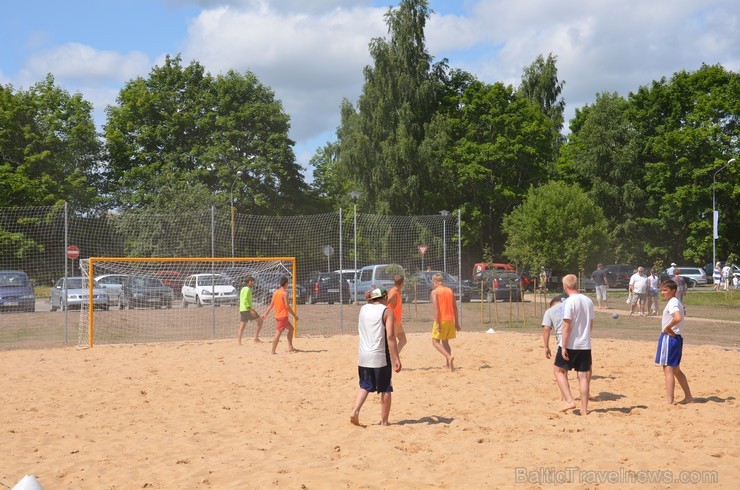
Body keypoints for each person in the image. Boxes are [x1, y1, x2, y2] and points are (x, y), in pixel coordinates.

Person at [350, 288, 401, 426]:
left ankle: (355, 410)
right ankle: (384, 421)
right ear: (384, 297)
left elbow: (371, 305)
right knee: (385, 388)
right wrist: (396, 358)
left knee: (365, 386)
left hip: (363, 356)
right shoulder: (387, 312)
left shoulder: (363, 309)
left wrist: (369, 298)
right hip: (379, 356)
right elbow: (390, 337)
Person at [554, 274, 594, 416]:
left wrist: (563, 346)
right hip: (585, 344)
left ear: (565, 286)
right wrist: (586, 337)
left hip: (571, 343)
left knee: (558, 371)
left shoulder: (569, 302)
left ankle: (570, 400)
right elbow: (591, 324)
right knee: (583, 377)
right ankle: (584, 410)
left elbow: (566, 326)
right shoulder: (588, 300)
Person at [655, 280, 693, 405]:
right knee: (676, 369)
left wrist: (668, 328)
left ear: (673, 291)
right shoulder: (676, 302)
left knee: (668, 369)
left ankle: (669, 400)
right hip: (675, 338)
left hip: (669, 338)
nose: (663, 292)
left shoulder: (673, 302)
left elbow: (677, 318)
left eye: (665, 290)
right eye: (662, 290)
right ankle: (688, 397)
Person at [430, 273, 460, 372]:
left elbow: (436, 308)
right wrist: (457, 322)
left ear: (435, 282)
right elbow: (455, 308)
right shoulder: (449, 291)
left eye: (433, 283)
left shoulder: (435, 292)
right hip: (450, 319)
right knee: (445, 341)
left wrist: (437, 322)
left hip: (441, 319)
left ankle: (448, 357)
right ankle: (449, 365)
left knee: (435, 342)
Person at [261, 276, 299, 354]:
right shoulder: (284, 293)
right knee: (278, 334)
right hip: (283, 317)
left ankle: (290, 347)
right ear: (286, 284)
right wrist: (294, 315)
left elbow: (271, 304)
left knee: (291, 329)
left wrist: (266, 313)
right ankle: (273, 351)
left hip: (278, 316)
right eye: (288, 283)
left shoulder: (276, 292)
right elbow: (287, 306)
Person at [542, 294, 568, 398]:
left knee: (560, 371)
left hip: (563, 341)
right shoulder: (572, 306)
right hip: (580, 341)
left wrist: (546, 346)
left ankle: (565, 396)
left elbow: (546, 329)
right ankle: (586, 396)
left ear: (552, 303)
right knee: (583, 372)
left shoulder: (550, 311)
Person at [237, 276, 263, 344]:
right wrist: (250, 310)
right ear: (248, 282)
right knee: (260, 322)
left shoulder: (243, 289)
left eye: (253, 281)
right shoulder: (247, 289)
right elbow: (245, 300)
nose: (253, 282)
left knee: (242, 326)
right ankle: (256, 338)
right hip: (247, 309)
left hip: (242, 309)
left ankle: (239, 342)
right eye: (251, 281)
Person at [386, 274, 407, 353]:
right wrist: (390, 316)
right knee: (391, 343)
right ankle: (390, 361)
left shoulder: (396, 292)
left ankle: (394, 358)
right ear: (402, 284)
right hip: (393, 322)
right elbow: (385, 304)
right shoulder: (393, 293)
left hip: (397, 321)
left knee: (403, 340)